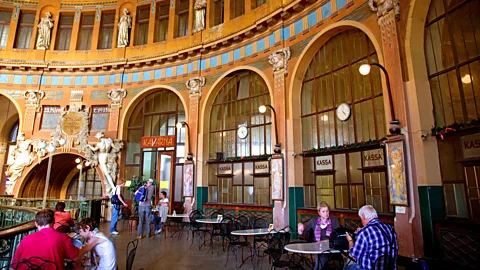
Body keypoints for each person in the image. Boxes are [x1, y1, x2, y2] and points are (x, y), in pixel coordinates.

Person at [11, 209, 79, 270]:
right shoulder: (63, 237)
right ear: (53, 222)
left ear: (36, 224)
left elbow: (14, 264)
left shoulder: (26, 239)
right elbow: (76, 256)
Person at [345, 205, 398, 270]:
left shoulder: (364, 233)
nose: (361, 221)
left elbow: (354, 256)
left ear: (363, 217)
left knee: (348, 268)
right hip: (389, 268)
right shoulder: (389, 228)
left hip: (368, 268)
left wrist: (350, 240)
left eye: (361, 219)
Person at [297, 201, 340, 269]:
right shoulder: (314, 221)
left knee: (322, 257)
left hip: (331, 246)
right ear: (319, 212)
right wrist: (300, 228)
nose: (326, 213)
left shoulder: (334, 220)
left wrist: (324, 242)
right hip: (318, 247)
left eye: (327, 211)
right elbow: (303, 233)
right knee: (321, 257)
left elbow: (337, 237)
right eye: (323, 211)